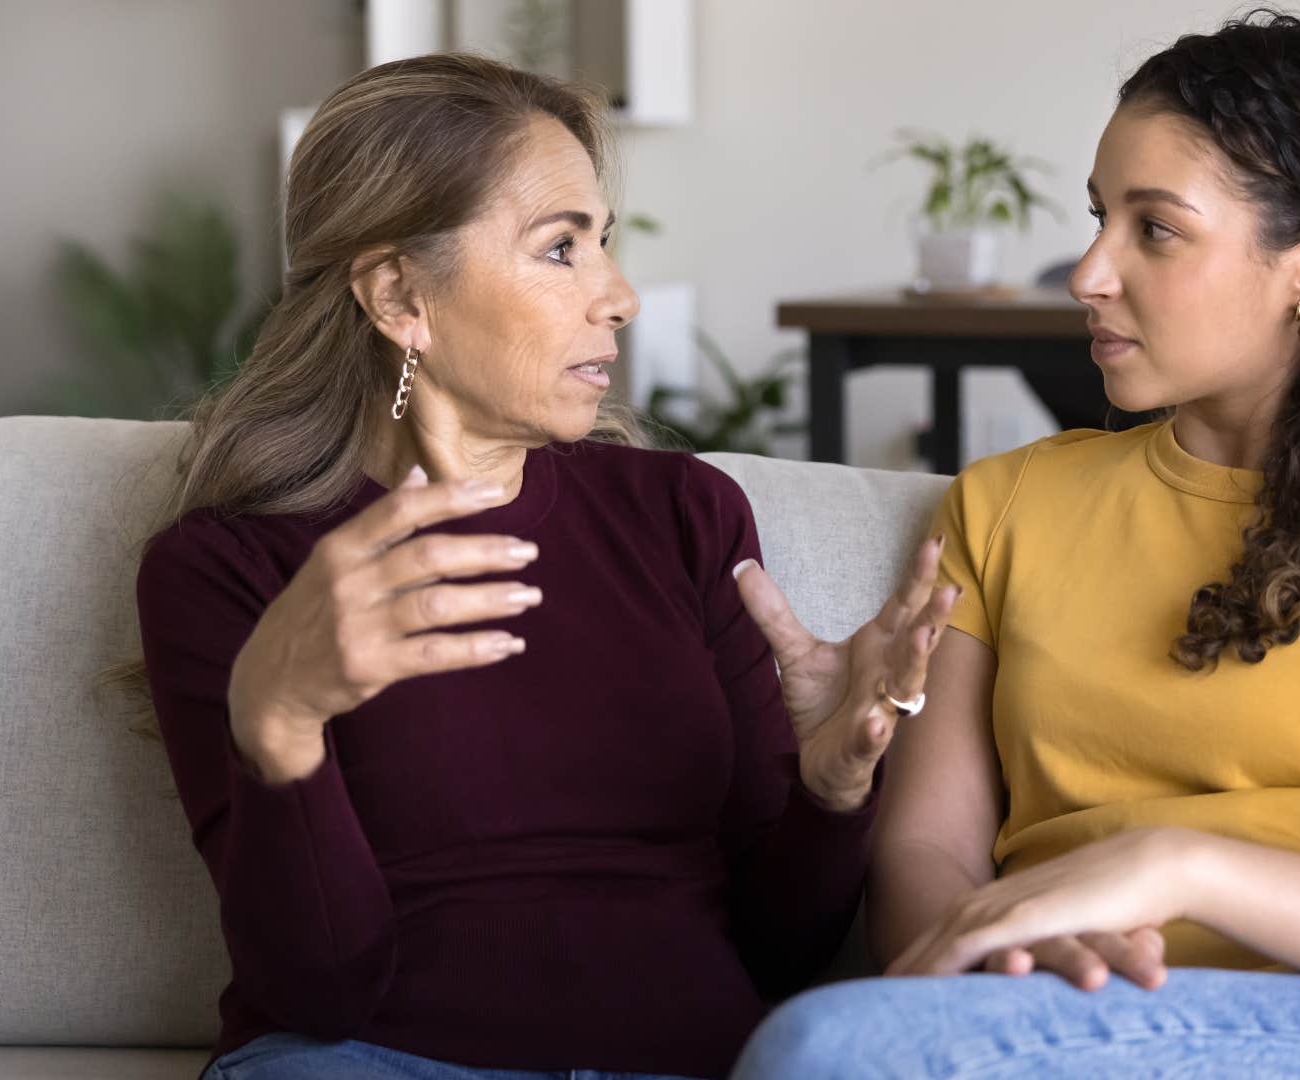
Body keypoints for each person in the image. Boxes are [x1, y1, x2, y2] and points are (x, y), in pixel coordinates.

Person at [731, 12, 1300, 1078]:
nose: (1088, 273)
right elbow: (928, 850)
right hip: (1061, 1016)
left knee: (825, 1055)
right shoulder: (1007, 507)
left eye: (1154, 230)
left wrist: (1185, 869)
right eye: (1099, 218)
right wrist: (998, 948)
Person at [132, 53, 955, 1080]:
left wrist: (832, 790)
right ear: (399, 296)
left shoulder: (684, 516)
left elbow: (771, 953)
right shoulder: (230, 570)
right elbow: (316, 994)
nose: (619, 297)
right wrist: (281, 727)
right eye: (560, 250)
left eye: (603, 245)